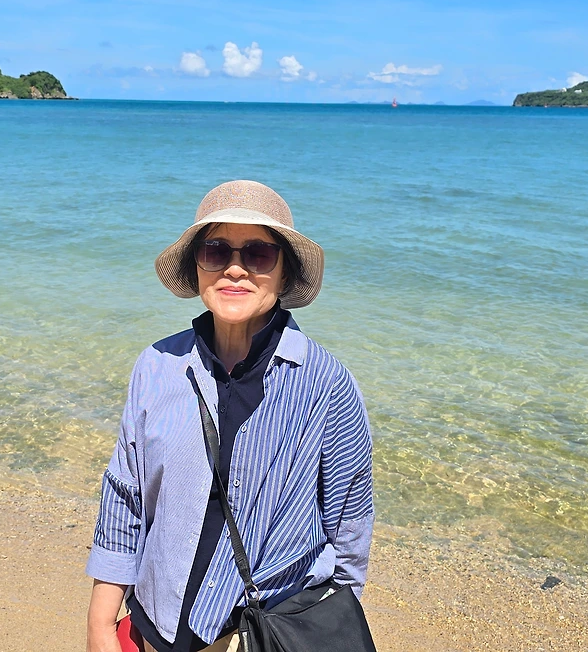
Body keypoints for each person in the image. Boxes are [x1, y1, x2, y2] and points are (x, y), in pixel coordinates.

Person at [85, 180, 374, 652]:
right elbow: (125, 496)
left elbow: (349, 528)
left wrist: (322, 629)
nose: (235, 269)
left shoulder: (327, 384)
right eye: (216, 251)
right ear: (197, 266)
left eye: (258, 253)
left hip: (261, 635)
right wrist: (100, 625)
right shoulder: (157, 366)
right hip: (156, 622)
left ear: (284, 271)